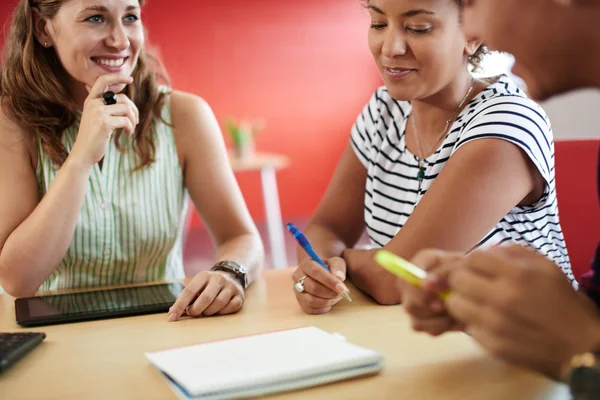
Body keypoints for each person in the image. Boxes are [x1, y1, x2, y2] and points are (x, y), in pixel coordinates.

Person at [290, 0, 572, 315]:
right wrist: (320, 270)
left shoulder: (506, 122)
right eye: (378, 24)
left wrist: (343, 261)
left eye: (418, 28)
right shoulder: (385, 109)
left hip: (531, 345)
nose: (391, 48)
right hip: (424, 332)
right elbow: (328, 228)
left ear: (472, 35)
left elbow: (395, 279)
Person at [0, 0, 264, 321]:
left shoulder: (184, 116)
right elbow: (17, 280)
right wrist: (81, 159)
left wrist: (229, 272)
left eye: (130, 17)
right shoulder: (11, 123)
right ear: (44, 28)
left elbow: (242, 238)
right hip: (54, 335)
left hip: (164, 324)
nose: (120, 40)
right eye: (96, 18)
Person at [402, 0, 600, 384]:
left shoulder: (505, 118)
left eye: (472, 3)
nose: (472, 30)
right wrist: (501, 305)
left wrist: (584, 349)